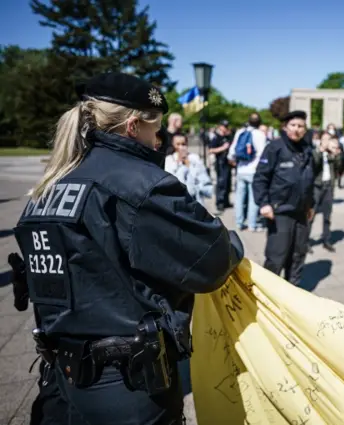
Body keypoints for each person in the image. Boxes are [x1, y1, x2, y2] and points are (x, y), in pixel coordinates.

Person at [12, 72, 244, 424]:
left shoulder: (51, 184)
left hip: (61, 379)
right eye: (156, 130)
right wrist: (231, 242)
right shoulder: (141, 184)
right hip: (125, 386)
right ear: (134, 126)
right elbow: (212, 259)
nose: (159, 141)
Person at [252, 110, 315, 286]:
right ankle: (267, 294)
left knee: (298, 255)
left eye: (300, 126)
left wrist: (311, 205)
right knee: (276, 256)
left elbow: (310, 179)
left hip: (301, 212)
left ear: (305, 129)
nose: (297, 129)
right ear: (285, 127)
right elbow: (260, 178)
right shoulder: (275, 147)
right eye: (293, 125)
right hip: (279, 211)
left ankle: (292, 292)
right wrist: (264, 203)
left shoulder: (307, 149)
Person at [228, 113, 268, 232]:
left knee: (239, 197)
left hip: (241, 169)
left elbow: (232, 151)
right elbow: (262, 154)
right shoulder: (260, 134)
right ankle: (252, 224)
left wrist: (234, 161)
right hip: (254, 170)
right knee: (253, 198)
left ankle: (239, 222)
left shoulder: (240, 132)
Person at [308, 135, 343, 254]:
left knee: (327, 216)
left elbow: (340, 168)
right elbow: (314, 165)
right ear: (321, 141)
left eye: (330, 140)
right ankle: (305, 242)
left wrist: (337, 154)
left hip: (329, 186)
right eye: (326, 140)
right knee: (311, 215)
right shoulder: (315, 152)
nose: (328, 142)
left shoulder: (332, 154)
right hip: (317, 187)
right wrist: (321, 151)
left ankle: (326, 240)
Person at [165, 133, 214, 206]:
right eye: (178, 144)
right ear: (173, 145)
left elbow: (201, 177)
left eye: (183, 144)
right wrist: (178, 162)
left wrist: (189, 165)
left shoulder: (194, 158)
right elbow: (170, 179)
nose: (181, 147)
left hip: (196, 200)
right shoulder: (169, 159)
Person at [208, 120, 233, 212]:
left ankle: (226, 201)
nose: (225, 128)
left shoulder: (228, 137)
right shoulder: (216, 137)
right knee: (221, 183)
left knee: (228, 183)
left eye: (226, 126)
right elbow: (211, 150)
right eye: (224, 126)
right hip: (220, 162)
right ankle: (220, 203)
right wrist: (223, 148)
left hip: (228, 162)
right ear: (220, 126)